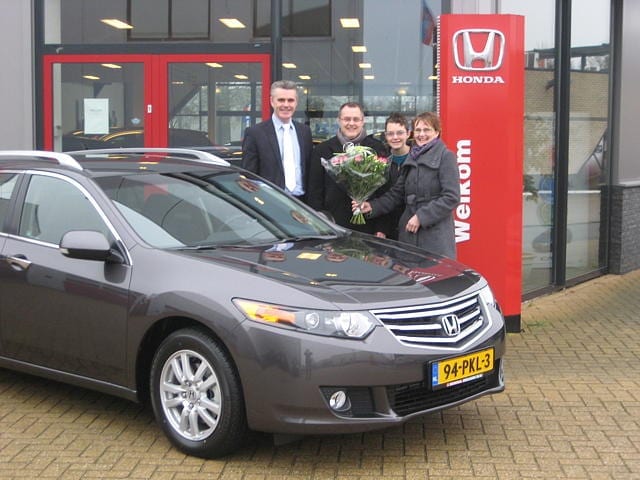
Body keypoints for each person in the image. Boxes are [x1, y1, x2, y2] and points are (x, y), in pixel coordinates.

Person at [354, 111, 461, 258]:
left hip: (435, 236)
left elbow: (451, 197)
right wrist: (371, 206)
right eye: (418, 130)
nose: (421, 134)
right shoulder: (413, 156)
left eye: (426, 130)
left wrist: (421, 217)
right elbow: (396, 194)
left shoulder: (446, 156)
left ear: (436, 132)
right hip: (409, 235)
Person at [306, 102, 390, 235]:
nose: (351, 123)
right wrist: (320, 226)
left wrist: (382, 228)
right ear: (339, 120)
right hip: (333, 226)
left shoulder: (377, 149)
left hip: (369, 225)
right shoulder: (322, 150)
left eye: (356, 119)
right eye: (347, 119)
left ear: (363, 121)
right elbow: (315, 193)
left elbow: (384, 191)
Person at [241, 80, 313, 201]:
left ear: (296, 102)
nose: (286, 105)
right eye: (281, 100)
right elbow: (249, 176)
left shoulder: (305, 132)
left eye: (290, 100)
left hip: (302, 203)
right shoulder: (255, 133)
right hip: (271, 203)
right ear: (272, 101)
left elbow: (309, 170)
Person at [375, 112, 412, 240]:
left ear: (408, 133)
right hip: (388, 231)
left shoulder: (418, 159)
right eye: (390, 134)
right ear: (385, 136)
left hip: (413, 228)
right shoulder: (379, 161)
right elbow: (379, 196)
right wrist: (381, 228)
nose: (395, 137)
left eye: (400, 133)